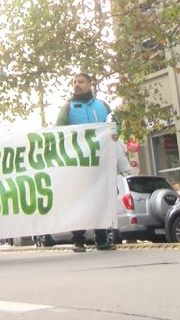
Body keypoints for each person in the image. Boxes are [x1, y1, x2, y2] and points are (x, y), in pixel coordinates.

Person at [55, 72, 115, 253]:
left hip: (99, 162)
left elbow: (113, 124)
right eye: (74, 82)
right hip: (78, 163)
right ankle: (78, 240)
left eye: (80, 82)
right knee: (78, 200)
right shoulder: (68, 107)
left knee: (99, 200)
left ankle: (102, 239)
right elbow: (58, 131)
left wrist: (115, 133)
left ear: (90, 84)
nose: (76, 85)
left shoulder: (103, 106)